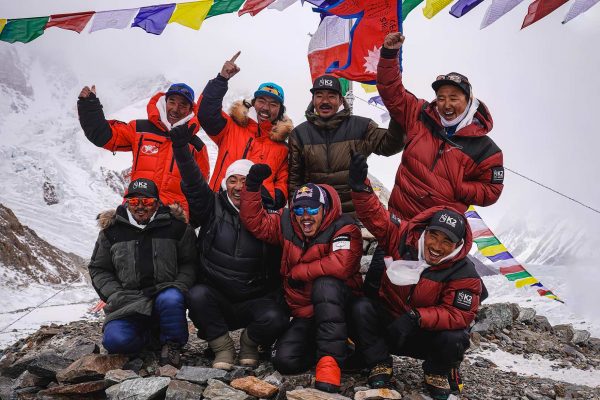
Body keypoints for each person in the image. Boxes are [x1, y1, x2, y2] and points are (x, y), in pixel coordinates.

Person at [349, 155, 484, 399]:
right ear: (425, 231)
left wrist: (416, 317)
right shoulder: (402, 237)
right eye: (434, 235)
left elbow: (459, 314)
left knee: (456, 336)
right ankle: (379, 362)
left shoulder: (465, 273)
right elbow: (376, 217)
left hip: (424, 334)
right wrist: (360, 188)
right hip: (390, 324)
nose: (437, 246)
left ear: (458, 245)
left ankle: (437, 370)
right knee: (361, 307)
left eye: (447, 241)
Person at [169, 123, 289, 370]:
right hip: (217, 296)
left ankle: (249, 342)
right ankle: (222, 347)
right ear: (225, 184)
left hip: (255, 298)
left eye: (244, 181)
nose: (237, 186)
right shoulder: (211, 206)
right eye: (232, 180)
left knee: (276, 316)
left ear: (253, 185)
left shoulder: (271, 215)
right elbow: (193, 183)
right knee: (197, 295)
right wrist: (181, 149)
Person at [240, 167, 363, 394]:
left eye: (312, 208)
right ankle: (334, 348)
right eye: (299, 209)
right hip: (304, 311)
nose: (305, 215)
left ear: (324, 209)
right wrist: (251, 188)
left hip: (340, 307)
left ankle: (330, 362)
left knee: (326, 284)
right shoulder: (287, 223)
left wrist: (298, 272)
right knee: (284, 361)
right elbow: (256, 223)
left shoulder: (344, 226)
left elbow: (342, 264)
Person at [376, 32, 504, 220]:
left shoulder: (487, 150)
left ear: (469, 100)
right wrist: (388, 54)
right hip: (397, 222)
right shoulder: (420, 114)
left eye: (454, 98)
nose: (446, 105)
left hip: (436, 233)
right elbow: (391, 91)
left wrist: (458, 187)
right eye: (441, 98)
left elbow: (492, 191)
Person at [88, 178, 196, 368]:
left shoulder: (177, 228)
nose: (140, 207)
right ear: (127, 202)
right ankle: (151, 339)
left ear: (156, 202)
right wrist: (114, 293)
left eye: (146, 202)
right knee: (115, 343)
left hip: (164, 295)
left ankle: (172, 345)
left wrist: (179, 287)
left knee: (171, 298)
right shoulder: (111, 232)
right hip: (126, 301)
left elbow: (190, 263)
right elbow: (99, 268)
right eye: (134, 201)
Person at [77, 83, 210, 215]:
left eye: (183, 105)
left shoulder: (197, 147)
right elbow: (104, 136)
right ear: (165, 102)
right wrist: (89, 108)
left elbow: (199, 191)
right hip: (136, 210)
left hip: (173, 221)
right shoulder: (140, 129)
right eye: (172, 102)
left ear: (190, 110)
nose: (175, 109)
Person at [288, 74, 405, 215]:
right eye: (319, 96)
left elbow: (390, 146)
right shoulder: (299, 134)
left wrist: (397, 114)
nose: (325, 101)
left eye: (331, 96)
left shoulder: (362, 126)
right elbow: (294, 181)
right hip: (316, 214)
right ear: (313, 100)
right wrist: (295, 214)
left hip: (354, 214)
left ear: (340, 100)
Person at [197, 52, 292, 210]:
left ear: (280, 110)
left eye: (273, 104)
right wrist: (221, 79)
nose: (265, 108)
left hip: (257, 214)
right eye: (261, 101)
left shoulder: (282, 148)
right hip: (218, 207)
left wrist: (272, 199)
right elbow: (205, 113)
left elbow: (282, 182)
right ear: (253, 103)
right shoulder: (231, 127)